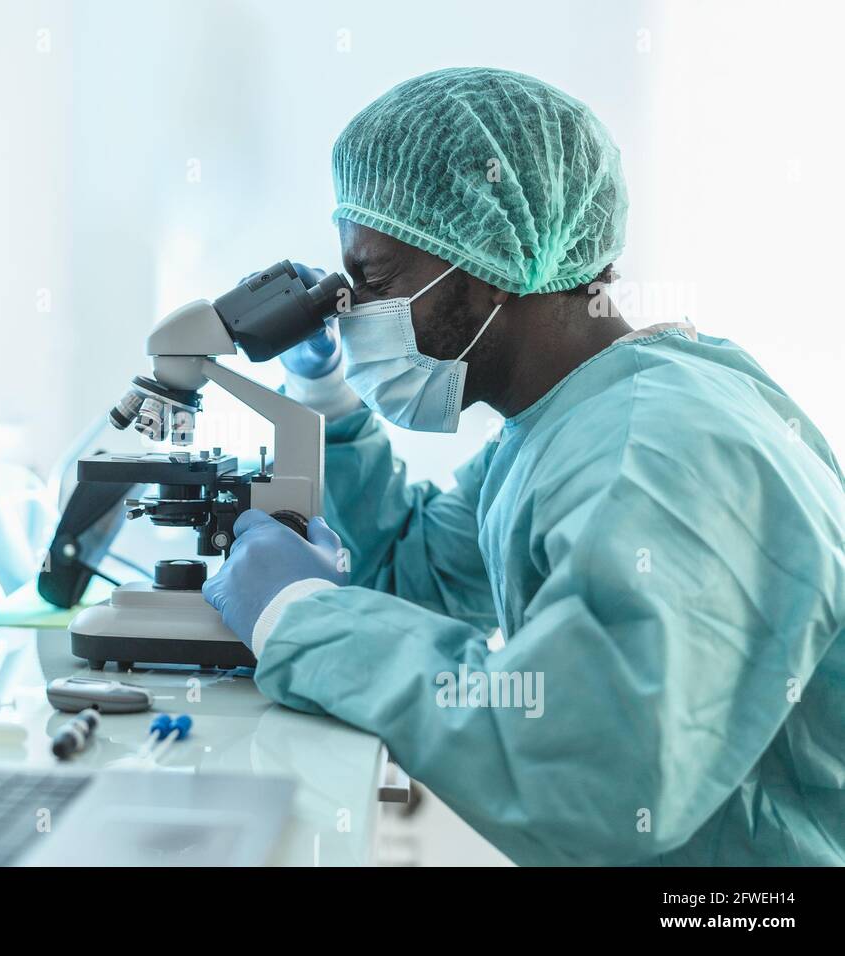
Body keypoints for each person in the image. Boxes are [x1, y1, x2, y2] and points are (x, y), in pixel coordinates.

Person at [202, 67, 845, 865]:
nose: (347, 304)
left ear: (485, 262)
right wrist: (324, 392)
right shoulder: (567, 424)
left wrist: (298, 616)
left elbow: (592, 767)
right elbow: (414, 573)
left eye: (369, 278)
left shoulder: (655, 453)